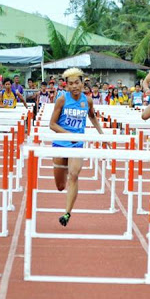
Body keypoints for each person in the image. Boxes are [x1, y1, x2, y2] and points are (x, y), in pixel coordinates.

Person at [50, 68, 105, 227]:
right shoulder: (61, 100)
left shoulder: (87, 101)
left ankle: (67, 213)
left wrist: (102, 135)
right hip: (61, 143)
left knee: (74, 175)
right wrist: (68, 135)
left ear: (83, 84)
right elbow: (52, 124)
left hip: (77, 144)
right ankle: (64, 173)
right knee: (60, 186)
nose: (74, 86)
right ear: (66, 86)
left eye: (77, 83)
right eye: (71, 84)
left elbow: (92, 117)